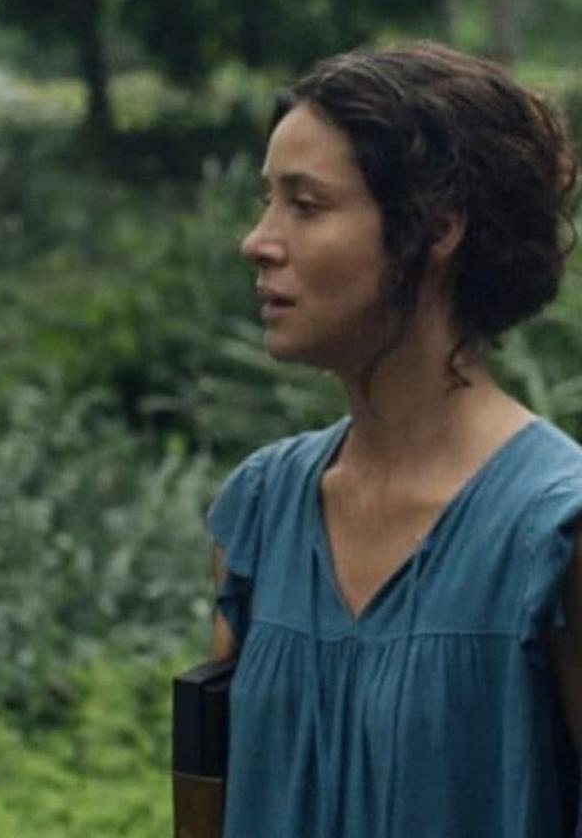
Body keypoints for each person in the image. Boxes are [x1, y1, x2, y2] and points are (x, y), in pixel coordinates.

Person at [206, 41, 582, 837]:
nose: (259, 241)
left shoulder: (554, 535)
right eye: (267, 202)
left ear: (436, 231)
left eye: (305, 206)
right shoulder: (259, 514)